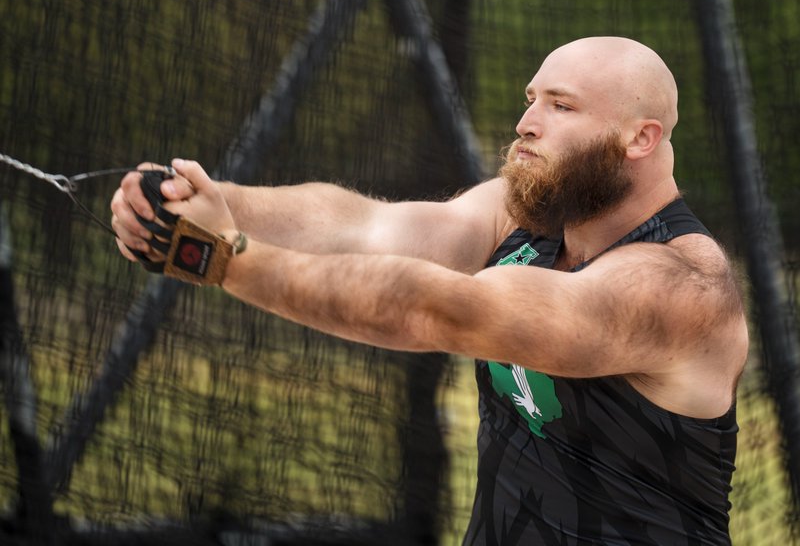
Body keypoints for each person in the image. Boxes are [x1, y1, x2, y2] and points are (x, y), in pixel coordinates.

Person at [110, 36, 748, 545]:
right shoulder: (523, 215)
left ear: (641, 138)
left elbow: (440, 307)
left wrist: (226, 259)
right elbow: (362, 225)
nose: (526, 122)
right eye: (531, 99)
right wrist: (216, 206)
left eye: (562, 105)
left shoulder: (683, 286)